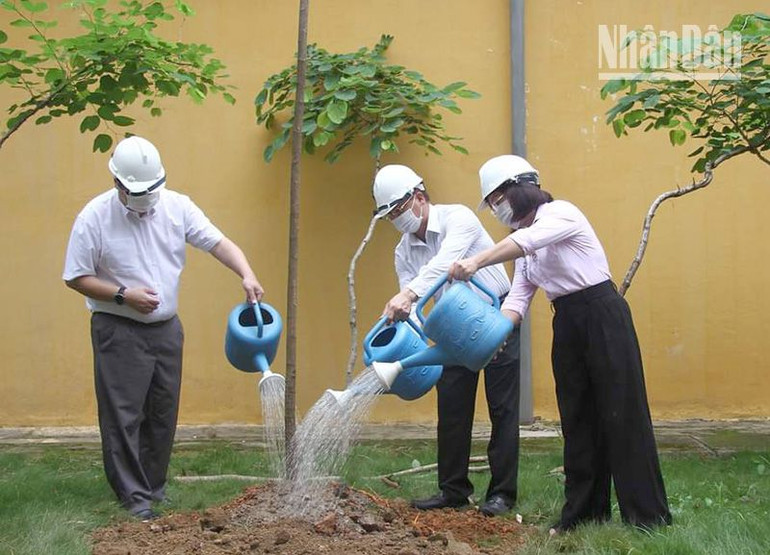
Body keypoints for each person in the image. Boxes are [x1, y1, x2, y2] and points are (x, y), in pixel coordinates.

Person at [448, 154, 672, 533]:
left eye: (495, 200)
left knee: (623, 414)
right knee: (578, 419)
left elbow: (528, 240)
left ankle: (648, 517)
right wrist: (492, 338)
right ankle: (584, 513)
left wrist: (476, 261)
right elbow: (517, 300)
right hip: (566, 323)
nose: (494, 209)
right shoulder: (522, 246)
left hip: (603, 315)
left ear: (518, 189)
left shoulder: (561, 214)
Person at [63, 136, 264, 521]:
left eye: (152, 189)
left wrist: (246, 272)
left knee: (162, 410)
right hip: (118, 327)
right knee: (123, 414)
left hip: (167, 329)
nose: (146, 198)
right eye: (138, 192)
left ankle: (154, 486)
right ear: (118, 185)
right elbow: (75, 276)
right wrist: (124, 295)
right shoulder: (93, 218)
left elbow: (217, 242)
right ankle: (134, 497)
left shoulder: (177, 206)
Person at [373, 164, 521, 517]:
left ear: (419, 198)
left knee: (502, 407)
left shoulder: (459, 218)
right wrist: (398, 325)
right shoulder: (403, 251)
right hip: (451, 328)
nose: (397, 219)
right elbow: (413, 307)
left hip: (495, 315)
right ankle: (453, 490)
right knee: (452, 407)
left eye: (398, 210)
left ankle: (502, 494)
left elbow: (443, 264)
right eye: (390, 215)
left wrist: (408, 294)